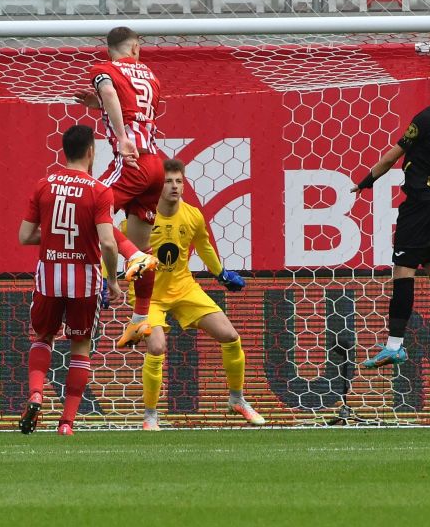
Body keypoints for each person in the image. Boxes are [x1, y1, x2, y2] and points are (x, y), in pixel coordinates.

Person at [351, 65, 430, 383]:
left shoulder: (426, 117)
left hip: (420, 205)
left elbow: (392, 156)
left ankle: (394, 345)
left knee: (403, 271)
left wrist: (366, 180)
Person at [138, 158, 263, 431]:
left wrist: (221, 274)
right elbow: (116, 246)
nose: (174, 186)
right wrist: (106, 280)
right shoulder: (142, 218)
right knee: (157, 347)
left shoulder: (193, 215)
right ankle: (150, 416)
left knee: (230, 336)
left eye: (179, 181)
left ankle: (237, 399)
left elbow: (204, 246)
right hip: (151, 296)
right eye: (168, 181)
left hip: (184, 288)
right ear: (157, 187)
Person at [17, 124, 123, 436]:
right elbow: (108, 243)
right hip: (84, 280)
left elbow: (25, 236)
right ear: (91, 151)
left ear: (65, 150)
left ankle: (36, 393)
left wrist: (53, 238)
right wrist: (114, 282)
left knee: (42, 337)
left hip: (49, 275)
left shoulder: (43, 184)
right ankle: (66, 423)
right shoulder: (100, 190)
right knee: (80, 346)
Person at [74, 26, 164, 350]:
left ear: (109, 48)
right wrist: (97, 106)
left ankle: (132, 256)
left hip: (131, 163)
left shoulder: (103, 70)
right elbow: (137, 111)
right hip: (155, 166)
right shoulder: (152, 77)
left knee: (85, 207)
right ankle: (140, 320)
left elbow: (112, 94)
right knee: (144, 253)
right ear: (136, 48)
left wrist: (122, 135)